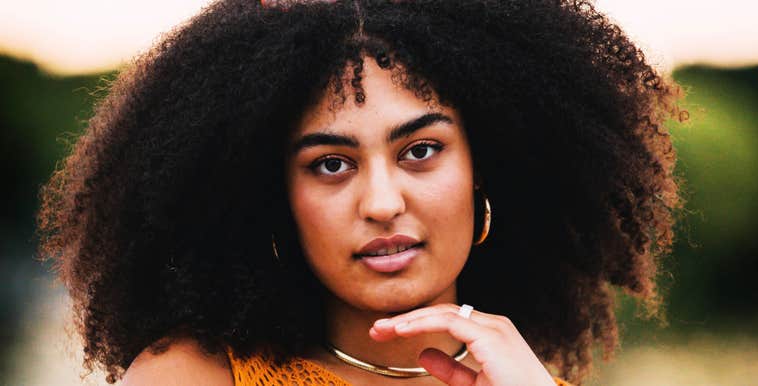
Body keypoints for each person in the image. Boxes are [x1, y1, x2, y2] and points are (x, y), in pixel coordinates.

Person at [35, 0, 687, 385]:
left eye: (421, 151)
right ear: (271, 196)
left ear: (482, 169)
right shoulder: (192, 376)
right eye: (330, 164)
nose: (381, 201)